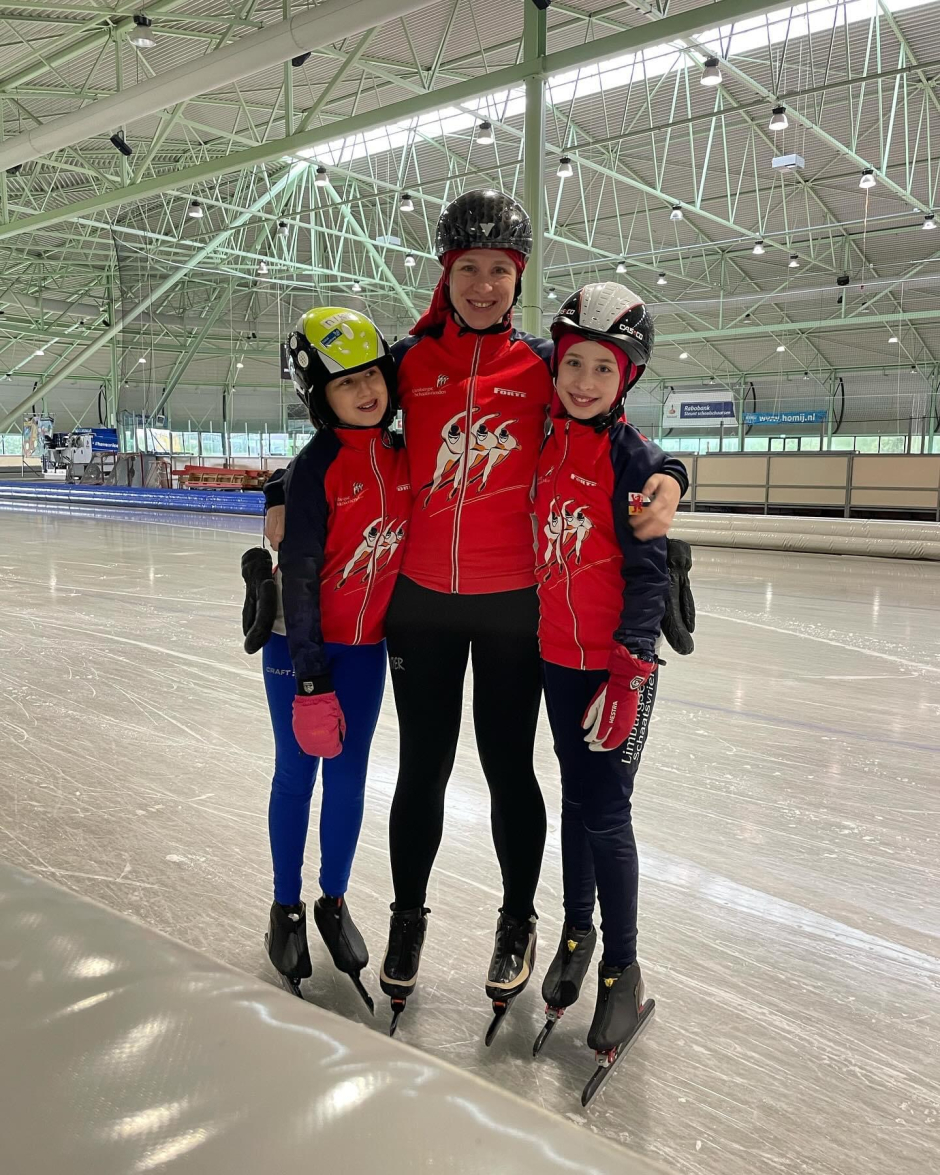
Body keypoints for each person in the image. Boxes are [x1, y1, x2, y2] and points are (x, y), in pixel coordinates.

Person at [263, 191, 689, 1038]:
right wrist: (279, 488)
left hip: (512, 608)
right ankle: (408, 916)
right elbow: (338, 418)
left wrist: (674, 476)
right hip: (420, 605)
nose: (484, 284)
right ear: (446, 273)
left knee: (507, 769)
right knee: (421, 769)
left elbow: (618, 432)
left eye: (500, 270)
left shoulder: (544, 366)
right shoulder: (409, 361)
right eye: (469, 269)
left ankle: (517, 919)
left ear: (518, 278)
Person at [530, 281, 685, 1105]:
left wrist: (629, 668)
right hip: (559, 658)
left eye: (604, 368)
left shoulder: (631, 459)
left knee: (607, 813)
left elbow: (649, 572)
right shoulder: (546, 438)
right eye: (574, 364)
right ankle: (576, 930)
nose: (585, 380)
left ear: (627, 378)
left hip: (615, 669)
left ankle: (622, 967)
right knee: (574, 800)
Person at [241, 307, 410, 1010]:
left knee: (348, 782)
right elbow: (303, 577)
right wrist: (310, 679)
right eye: (346, 383)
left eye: (372, 375)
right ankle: (286, 906)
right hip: (300, 646)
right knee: (296, 775)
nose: (365, 390)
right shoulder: (314, 469)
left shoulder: (405, 453)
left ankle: (331, 901)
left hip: (365, 649)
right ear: (320, 397)